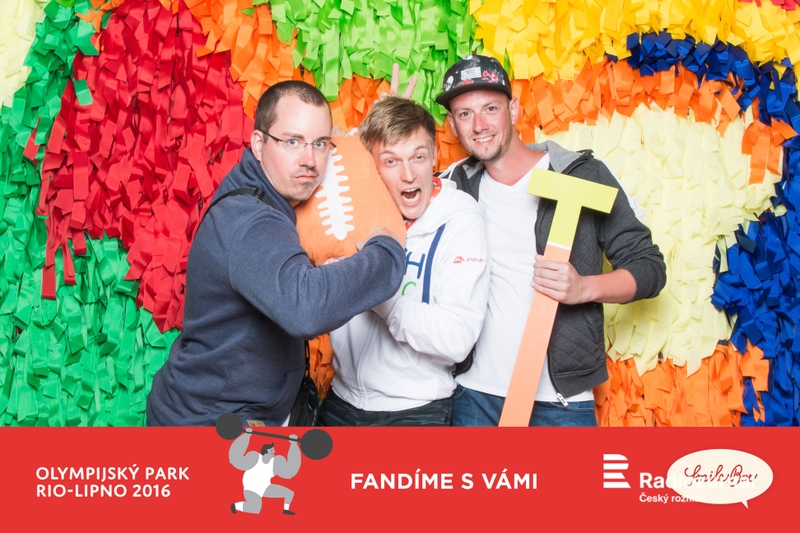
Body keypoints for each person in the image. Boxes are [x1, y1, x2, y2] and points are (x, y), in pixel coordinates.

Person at [146, 81, 406, 426]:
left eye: (320, 144)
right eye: (292, 142)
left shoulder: (264, 191)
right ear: (259, 143)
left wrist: (383, 125)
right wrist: (387, 253)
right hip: (205, 422)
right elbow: (305, 308)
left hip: (246, 411)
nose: (310, 160)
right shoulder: (250, 221)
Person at [434, 55, 667, 426]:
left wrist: (584, 288)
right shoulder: (453, 187)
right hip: (473, 396)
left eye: (490, 108)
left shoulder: (581, 175)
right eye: (465, 114)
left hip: (560, 404)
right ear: (452, 124)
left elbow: (650, 268)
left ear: (513, 109)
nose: (479, 125)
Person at [318, 97, 490, 426]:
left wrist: (375, 287)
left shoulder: (461, 219)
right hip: (342, 400)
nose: (409, 175)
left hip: (415, 410)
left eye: (418, 157)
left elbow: (457, 339)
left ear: (435, 155)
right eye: (391, 161)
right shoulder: (355, 213)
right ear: (370, 165)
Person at [229, 429, 300, 515]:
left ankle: (286, 510)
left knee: (289, 493)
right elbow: (236, 458)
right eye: (272, 450)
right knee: (255, 509)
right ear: (266, 452)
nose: (274, 452)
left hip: (265, 487)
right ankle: (235, 506)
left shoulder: (275, 463)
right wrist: (246, 436)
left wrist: (293, 445)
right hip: (251, 488)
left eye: (274, 450)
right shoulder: (255, 458)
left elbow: (290, 470)